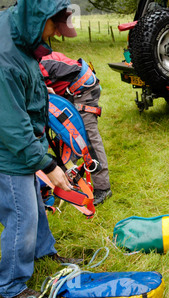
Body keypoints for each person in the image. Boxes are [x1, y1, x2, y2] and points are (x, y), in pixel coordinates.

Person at [0, 0, 82, 298]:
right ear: (39, 19)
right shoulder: (4, 58)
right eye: (53, 28)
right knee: (21, 216)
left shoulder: (21, 34)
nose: (55, 36)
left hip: (19, 141)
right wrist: (46, 164)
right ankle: (10, 287)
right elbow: (11, 125)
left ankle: (43, 253)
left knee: (34, 204)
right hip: (7, 150)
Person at [39, 51, 112, 206]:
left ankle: (103, 188)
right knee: (64, 139)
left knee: (87, 140)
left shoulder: (33, 66)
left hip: (82, 89)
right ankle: (69, 180)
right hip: (67, 92)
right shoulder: (27, 62)